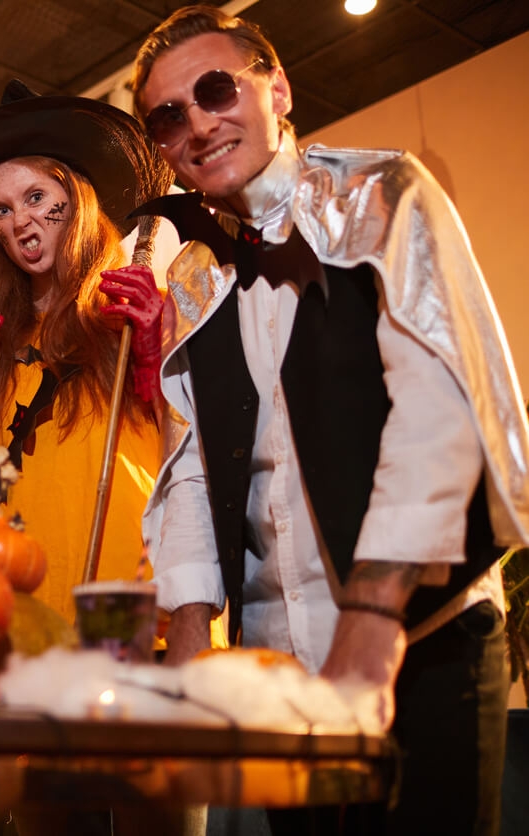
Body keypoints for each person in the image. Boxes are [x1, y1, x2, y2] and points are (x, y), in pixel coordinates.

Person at [131, 6, 529, 835]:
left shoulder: (382, 194)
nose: (198, 124)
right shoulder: (194, 282)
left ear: (276, 86)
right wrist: (190, 635)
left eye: (215, 90)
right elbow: (193, 469)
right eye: (169, 116)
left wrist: (375, 619)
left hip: (426, 637)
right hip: (282, 668)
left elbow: (436, 408)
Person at [0, 82, 170, 622]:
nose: (18, 221)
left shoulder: (135, 311)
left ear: (77, 199)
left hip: (126, 592)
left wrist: (159, 351)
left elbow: (193, 445)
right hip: (23, 604)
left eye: (36, 197)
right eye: (1, 209)